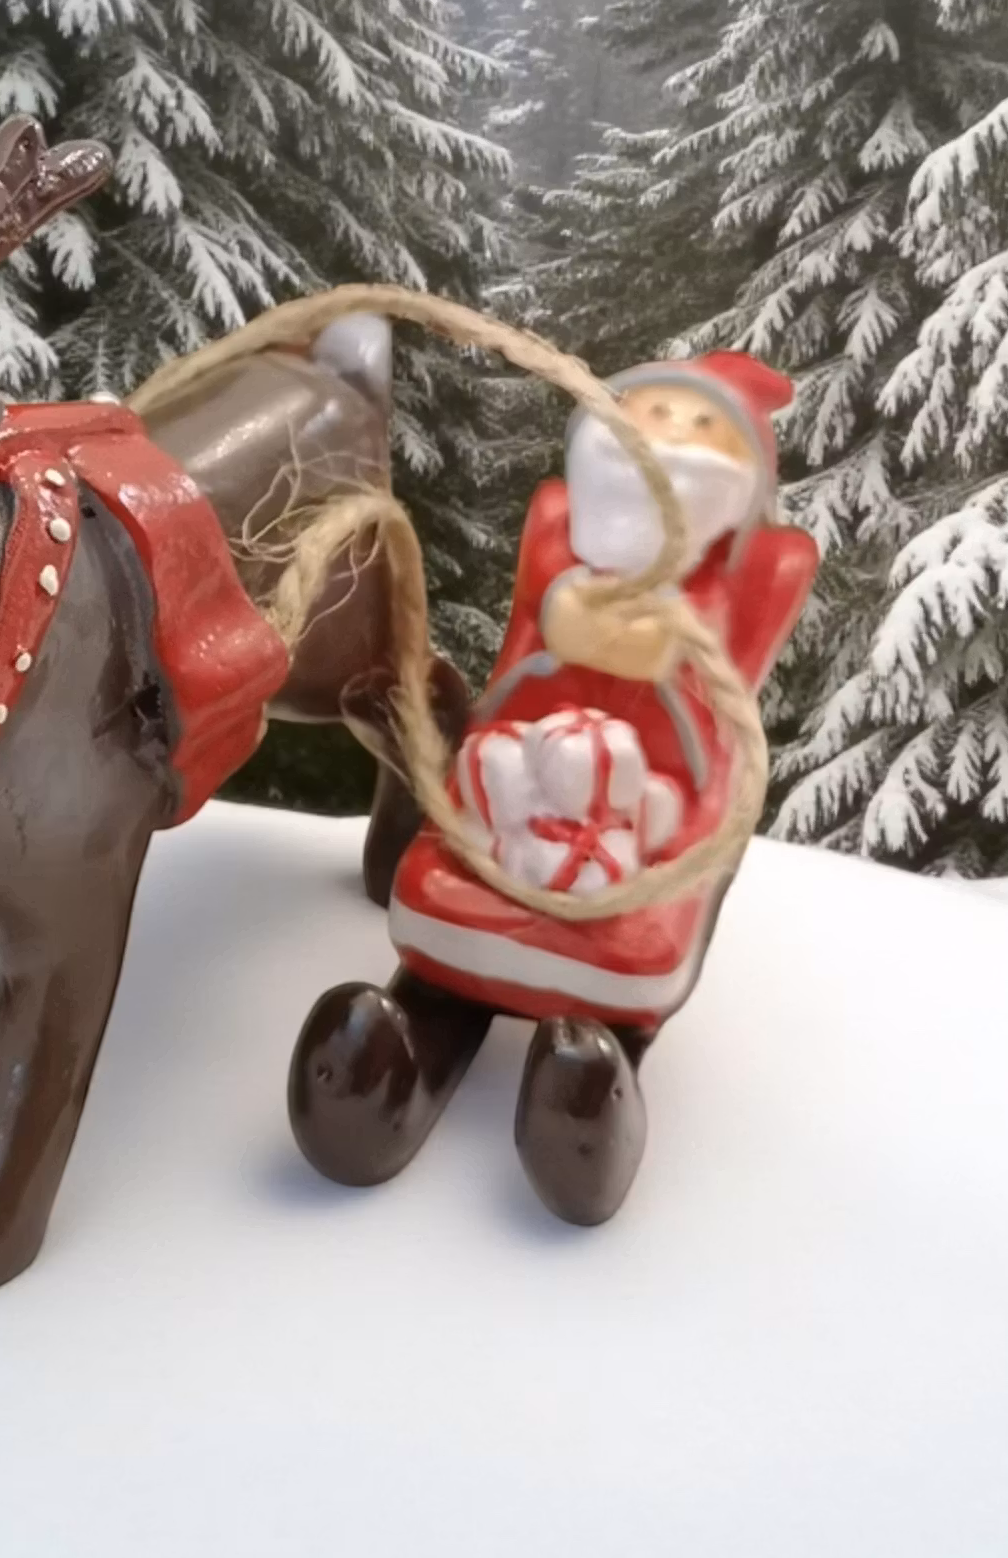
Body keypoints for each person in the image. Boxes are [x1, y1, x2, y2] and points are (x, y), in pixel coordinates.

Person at [289, 354, 820, 1224]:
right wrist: (571, 619)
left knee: (623, 923)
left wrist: (658, 644)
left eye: (702, 428)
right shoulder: (561, 533)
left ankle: (587, 1092)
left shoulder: (752, 573)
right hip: (519, 757)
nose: (668, 440)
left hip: (667, 795)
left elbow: (707, 699)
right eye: (651, 414)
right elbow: (537, 648)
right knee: (462, 858)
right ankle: (397, 1050)